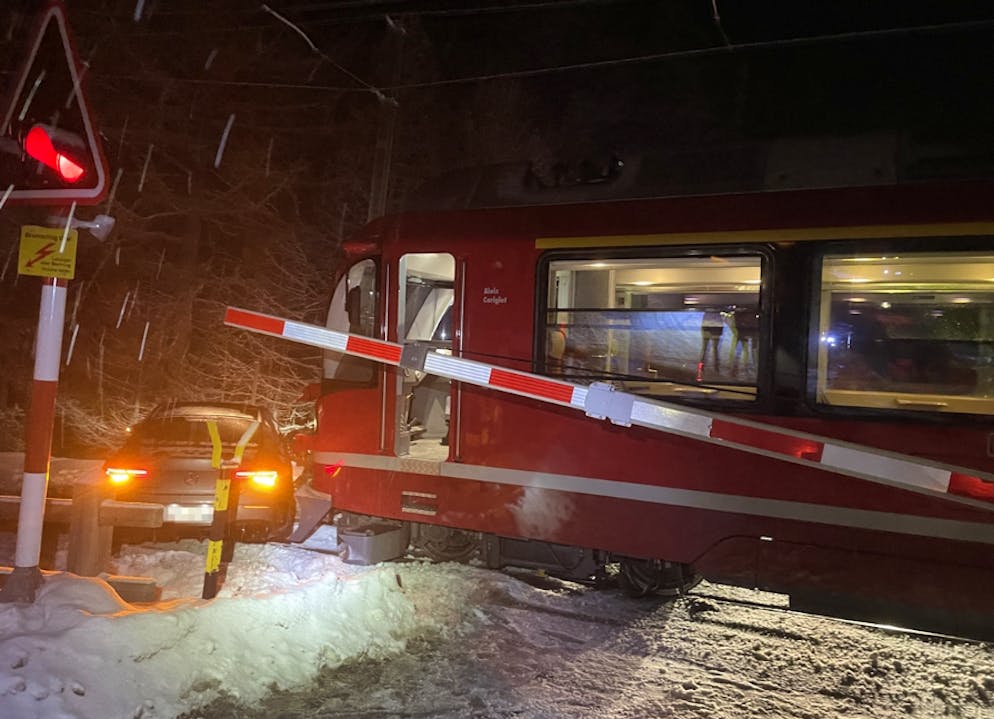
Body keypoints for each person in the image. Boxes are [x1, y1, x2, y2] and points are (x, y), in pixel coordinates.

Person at [698, 310, 724, 380]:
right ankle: (716, 368)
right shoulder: (720, 302)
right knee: (715, 349)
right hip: (716, 325)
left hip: (707, 324)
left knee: (705, 348)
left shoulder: (707, 302)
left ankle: (701, 367)